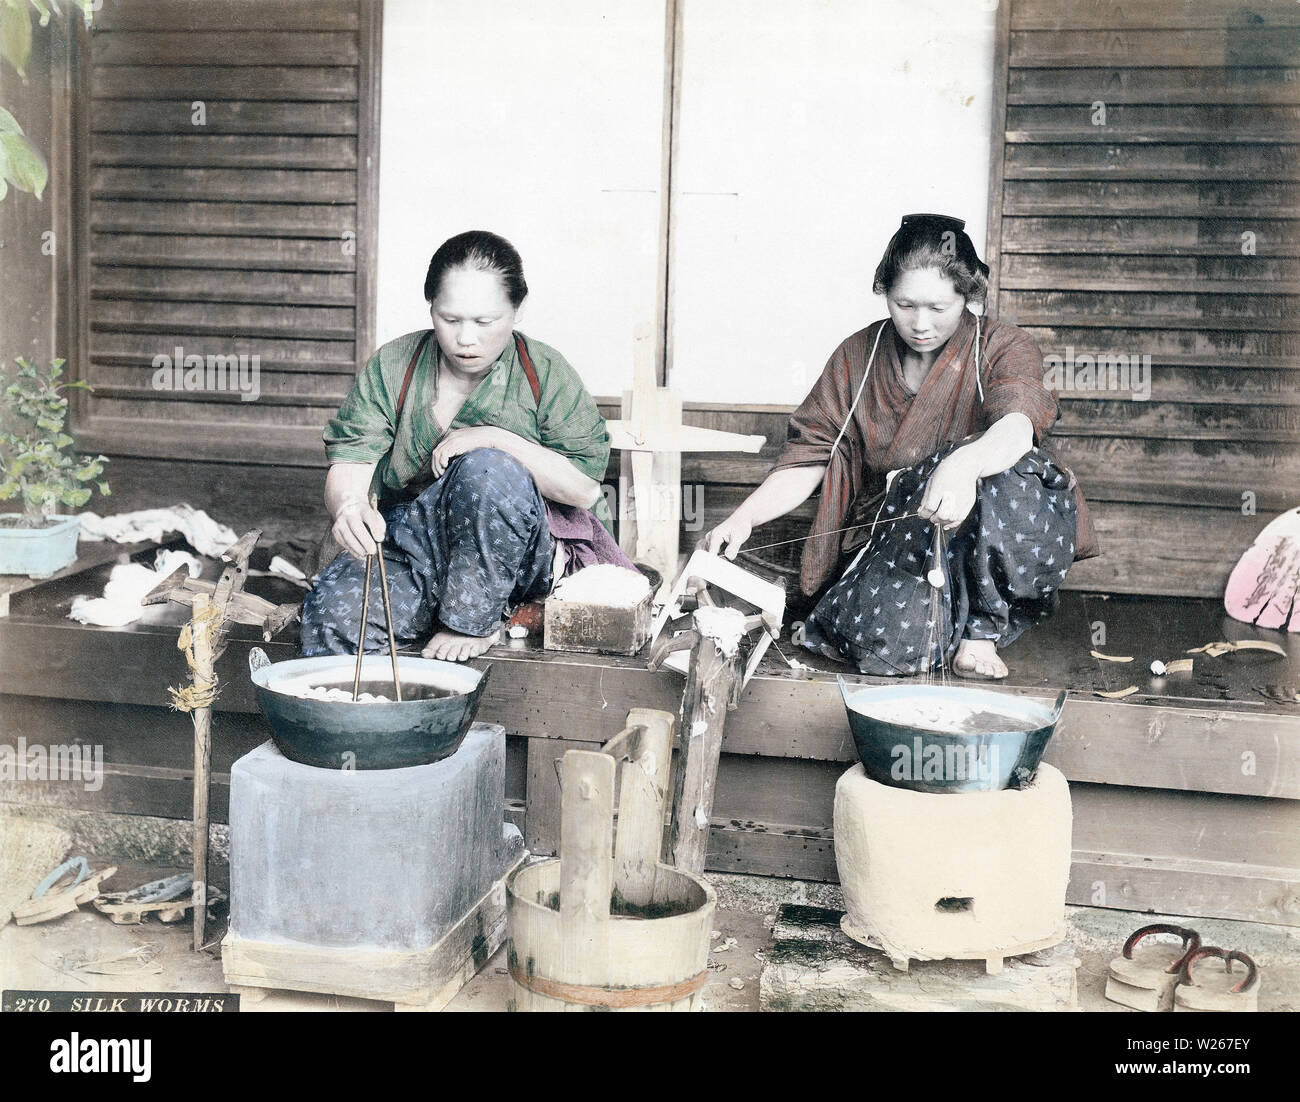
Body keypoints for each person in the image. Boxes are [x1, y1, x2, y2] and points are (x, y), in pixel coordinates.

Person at [703, 214, 1098, 679]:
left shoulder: (1001, 344)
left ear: (967, 296)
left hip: (985, 532)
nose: (920, 324)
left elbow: (1017, 424)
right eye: (904, 304)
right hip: (896, 532)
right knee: (892, 648)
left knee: (1023, 471)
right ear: (885, 293)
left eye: (938, 307)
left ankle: (980, 632)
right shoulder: (858, 354)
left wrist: (962, 466)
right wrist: (743, 516)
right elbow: (812, 454)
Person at [301, 230, 634, 662]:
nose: (465, 339)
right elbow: (353, 458)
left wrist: (495, 438)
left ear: (516, 310)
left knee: (488, 469)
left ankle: (473, 623)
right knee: (334, 615)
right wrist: (347, 506)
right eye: (450, 319)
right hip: (421, 546)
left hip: (520, 560)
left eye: (485, 322)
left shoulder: (544, 373)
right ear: (431, 308)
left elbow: (584, 490)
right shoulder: (395, 364)